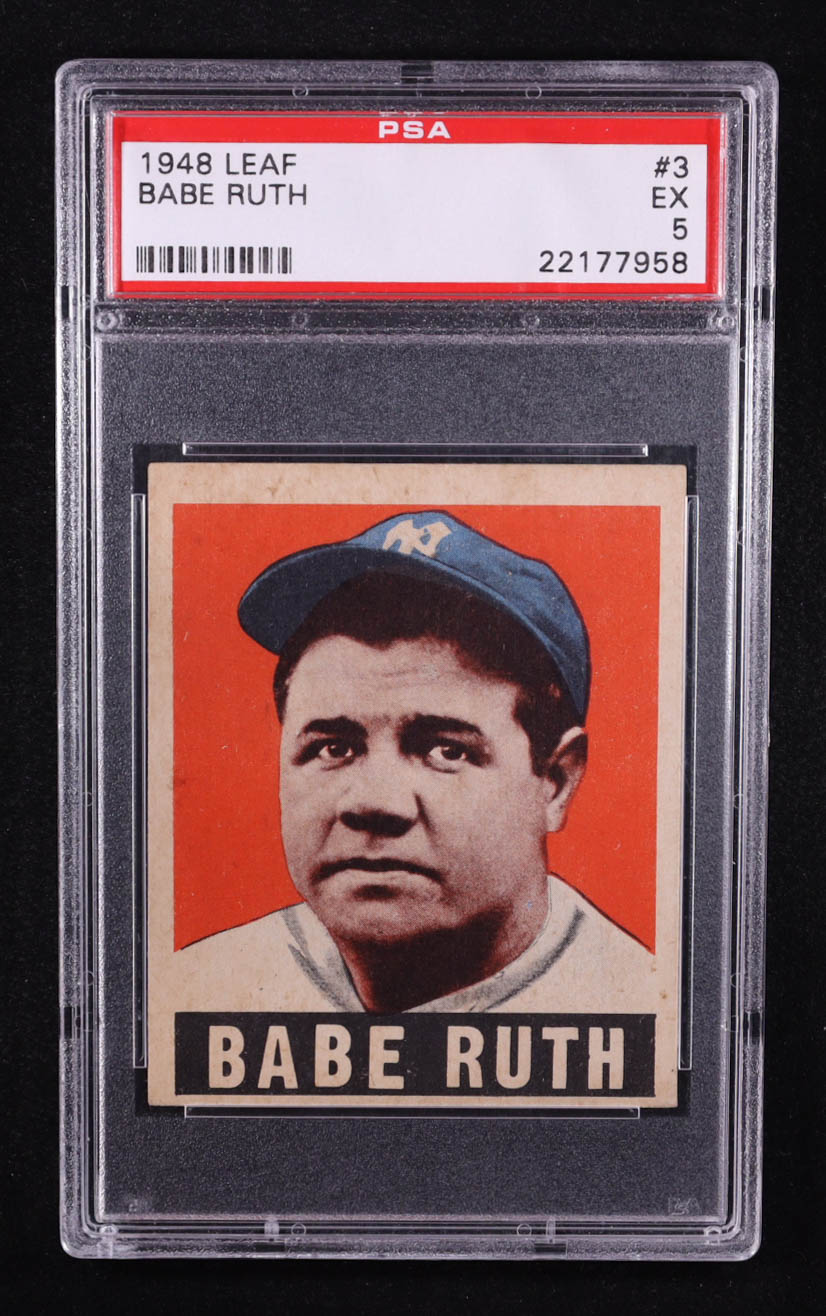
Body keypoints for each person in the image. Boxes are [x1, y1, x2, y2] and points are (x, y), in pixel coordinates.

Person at [177, 511, 652, 1014]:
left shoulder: (642, 1015)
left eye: (446, 750)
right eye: (334, 748)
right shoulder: (196, 996)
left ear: (554, 783)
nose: (374, 803)